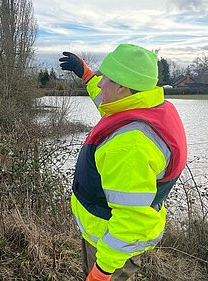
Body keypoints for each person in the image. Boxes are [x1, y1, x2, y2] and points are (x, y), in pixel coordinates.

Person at [59, 44, 187, 281]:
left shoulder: (131, 145)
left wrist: (102, 271)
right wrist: (86, 75)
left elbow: (132, 220)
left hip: (111, 247)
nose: (100, 83)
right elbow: (108, 105)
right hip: (109, 241)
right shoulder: (145, 107)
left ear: (122, 87)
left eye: (105, 78)